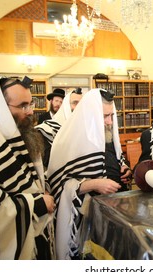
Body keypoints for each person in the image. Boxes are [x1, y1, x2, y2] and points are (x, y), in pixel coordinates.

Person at [0, 76, 55, 259]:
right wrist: (36, 204)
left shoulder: (21, 139)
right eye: (23, 106)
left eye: (31, 104)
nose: (30, 112)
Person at [47, 88, 132, 259]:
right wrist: (94, 184)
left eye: (112, 116)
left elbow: (116, 160)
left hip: (111, 218)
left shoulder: (108, 136)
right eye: (104, 116)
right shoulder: (68, 141)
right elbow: (58, 184)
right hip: (83, 225)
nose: (109, 123)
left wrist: (126, 169)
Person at [35, 87, 83, 168]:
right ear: (67, 105)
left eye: (81, 104)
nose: (78, 107)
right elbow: (47, 160)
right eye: (75, 103)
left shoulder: (84, 130)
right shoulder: (46, 128)